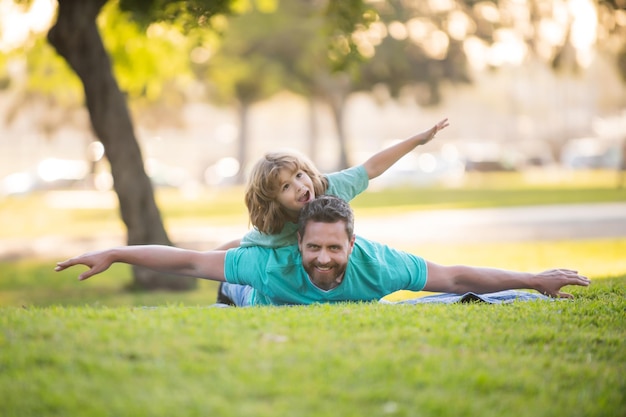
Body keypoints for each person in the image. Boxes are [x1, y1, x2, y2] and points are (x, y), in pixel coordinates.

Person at [55, 195, 590, 306]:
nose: (324, 258)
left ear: (351, 244)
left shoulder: (378, 264)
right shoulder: (274, 262)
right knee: (229, 282)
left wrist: (532, 279)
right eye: (314, 247)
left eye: (334, 248)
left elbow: (452, 277)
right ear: (300, 242)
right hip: (253, 292)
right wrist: (116, 253)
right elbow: (189, 260)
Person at [215, 118, 449, 303]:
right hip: (263, 290)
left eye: (299, 175)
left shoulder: (329, 187)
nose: (299, 186)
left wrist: (417, 140)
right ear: (273, 200)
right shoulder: (274, 228)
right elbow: (243, 244)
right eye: (286, 186)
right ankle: (227, 290)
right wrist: (210, 257)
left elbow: (372, 167)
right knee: (240, 287)